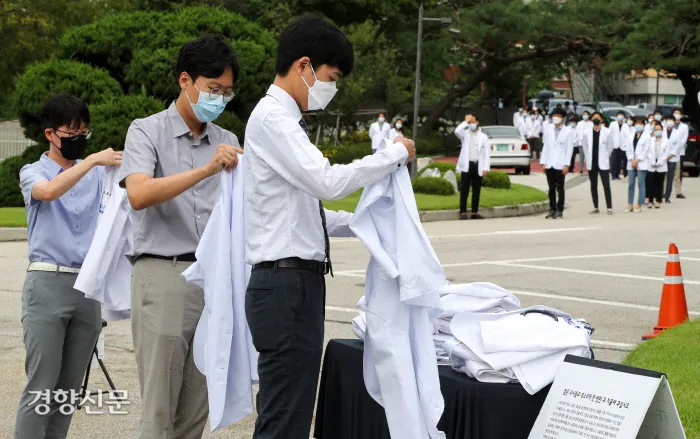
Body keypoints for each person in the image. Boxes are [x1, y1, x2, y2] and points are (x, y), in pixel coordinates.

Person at [242, 15, 416, 439]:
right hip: (285, 287)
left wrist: (369, 223)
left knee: (291, 412)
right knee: (285, 421)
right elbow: (327, 182)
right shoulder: (273, 119)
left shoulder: (284, 121)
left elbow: (307, 212)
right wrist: (392, 155)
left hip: (293, 284)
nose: (331, 89)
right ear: (304, 66)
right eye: (330, 77)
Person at [120, 36, 243, 438]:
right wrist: (205, 171)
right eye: (213, 89)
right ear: (185, 81)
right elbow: (138, 193)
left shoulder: (228, 141)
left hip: (215, 281)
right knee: (160, 411)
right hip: (164, 275)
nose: (220, 99)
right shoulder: (146, 131)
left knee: (195, 411)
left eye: (227, 92)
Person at [15, 94, 122, 438]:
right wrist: (89, 162)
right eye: (72, 132)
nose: (79, 139)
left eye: (84, 133)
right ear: (50, 134)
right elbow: (46, 193)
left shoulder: (98, 173)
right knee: (40, 388)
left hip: (87, 286)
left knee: (68, 393)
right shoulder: (33, 172)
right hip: (47, 285)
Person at [455, 114, 490, 220]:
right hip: (467, 165)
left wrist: (486, 168)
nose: (471, 124)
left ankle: (474, 212)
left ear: (477, 123)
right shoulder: (464, 134)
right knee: (464, 189)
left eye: (473, 122)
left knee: (476, 190)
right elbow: (456, 131)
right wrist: (466, 121)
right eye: (470, 123)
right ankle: (463, 212)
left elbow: (486, 153)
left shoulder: (483, 137)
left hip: (478, 165)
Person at [541, 108, 574, 219]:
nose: (556, 117)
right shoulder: (549, 129)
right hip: (549, 163)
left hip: (560, 164)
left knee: (560, 188)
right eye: (554, 115)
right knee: (551, 188)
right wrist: (543, 162)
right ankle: (552, 208)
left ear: (563, 118)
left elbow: (569, 149)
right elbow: (546, 146)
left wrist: (566, 165)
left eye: (558, 116)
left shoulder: (568, 131)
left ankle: (560, 209)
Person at [583, 112, 613, 215]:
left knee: (606, 185)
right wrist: (587, 157)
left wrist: (605, 155)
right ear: (591, 120)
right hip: (592, 162)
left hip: (603, 162)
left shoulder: (607, 132)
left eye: (598, 118)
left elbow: (610, 147)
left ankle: (609, 207)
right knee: (593, 185)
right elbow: (585, 146)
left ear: (601, 120)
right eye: (594, 118)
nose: (596, 119)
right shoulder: (587, 132)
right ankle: (596, 207)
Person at [625, 118, 651, 213]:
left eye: (640, 124)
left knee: (641, 183)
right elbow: (627, 148)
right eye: (636, 123)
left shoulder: (647, 136)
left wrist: (637, 160)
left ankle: (639, 204)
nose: (638, 125)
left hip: (641, 162)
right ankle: (630, 204)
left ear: (644, 125)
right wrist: (632, 160)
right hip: (631, 162)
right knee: (631, 184)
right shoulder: (630, 135)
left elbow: (646, 150)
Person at [646, 122, 669, 209]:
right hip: (651, 164)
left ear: (662, 130)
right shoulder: (650, 139)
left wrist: (660, 162)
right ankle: (650, 201)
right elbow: (647, 151)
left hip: (661, 165)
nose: (657, 131)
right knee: (650, 183)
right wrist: (652, 161)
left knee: (659, 183)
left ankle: (658, 200)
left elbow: (666, 153)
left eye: (659, 129)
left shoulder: (666, 141)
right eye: (656, 130)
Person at [662, 114, 683, 203]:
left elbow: (678, 146)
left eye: (671, 120)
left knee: (670, 178)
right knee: (661, 177)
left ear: (674, 122)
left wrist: (670, 155)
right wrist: (663, 156)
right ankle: (660, 194)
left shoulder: (677, 133)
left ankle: (667, 196)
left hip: (672, 158)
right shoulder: (661, 131)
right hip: (662, 158)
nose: (669, 122)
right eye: (668, 120)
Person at [671, 109, 689, 199]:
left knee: (678, 173)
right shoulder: (669, 125)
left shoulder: (684, 127)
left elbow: (684, 140)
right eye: (675, 114)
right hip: (669, 153)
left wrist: (676, 149)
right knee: (667, 173)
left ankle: (678, 191)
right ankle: (664, 191)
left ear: (681, 116)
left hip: (679, 152)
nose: (676, 115)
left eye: (678, 114)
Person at [609, 110, 630, 180]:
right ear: (617, 116)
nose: (620, 117)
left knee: (620, 161)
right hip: (614, 144)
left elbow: (627, 135)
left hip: (622, 145)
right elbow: (610, 134)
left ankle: (617, 174)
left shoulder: (626, 125)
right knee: (614, 160)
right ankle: (613, 174)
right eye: (619, 115)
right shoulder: (612, 124)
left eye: (622, 115)